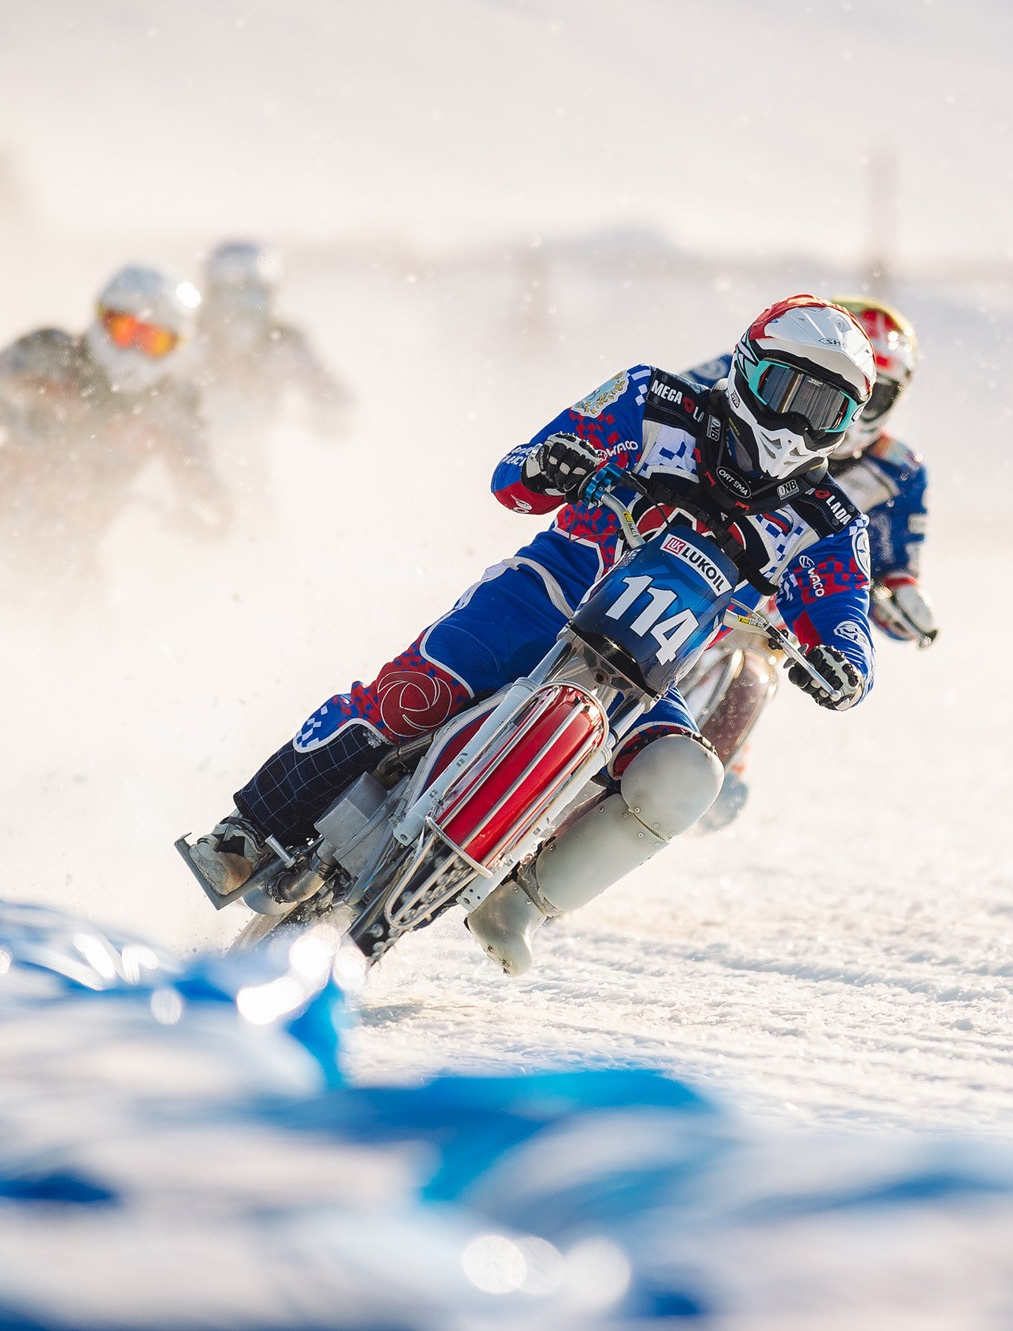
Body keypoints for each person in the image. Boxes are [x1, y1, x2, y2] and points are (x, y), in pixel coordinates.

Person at [185, 294, 880, 974]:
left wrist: (843, 661)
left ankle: (520, 906)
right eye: (784, 387)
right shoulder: (651, 399)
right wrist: (557, 462)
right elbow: (514, 478)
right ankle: (250, 828)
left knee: (686, 775)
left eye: (825, 409)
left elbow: (844, 608)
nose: (794, 421)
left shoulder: (829, 519)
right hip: (538, 599)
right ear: (744, 366)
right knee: (412, 696)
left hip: (646, 679)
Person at [683, 295, 937, 828]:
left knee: (747, 701)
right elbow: (663, 417)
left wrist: (899, 596)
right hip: (677, 552)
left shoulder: (900, 472)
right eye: (794, 385)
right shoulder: (729, 374)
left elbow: (891, 566)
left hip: (771, 612)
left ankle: (701, 762)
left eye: (863, 398)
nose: (812, 409)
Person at [0, 264, 219, 614]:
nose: (133, 351)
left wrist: (198, 515)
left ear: (176, 347)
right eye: (125, 330)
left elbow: (210, 494)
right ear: (101, 319)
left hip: (81, 534)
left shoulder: (174, 405)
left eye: (153, 340)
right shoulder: (47, 352)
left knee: (95, 622)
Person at [190, 240, 354, 518]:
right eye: (229, 297)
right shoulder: (189, 339)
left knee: (259, 521)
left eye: (252, 296)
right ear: (211, 296)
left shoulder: (285, 345)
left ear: (271, 297)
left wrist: (333, 414)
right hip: (186, 456)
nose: (239, 309)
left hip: (254, 463)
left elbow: (332, 394)